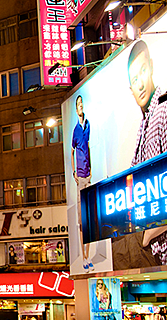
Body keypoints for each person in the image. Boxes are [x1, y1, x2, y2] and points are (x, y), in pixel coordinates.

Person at [126, 40, 167, 264]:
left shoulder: (163, 110)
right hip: (155, 251)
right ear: (130, 89)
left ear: (151, 67)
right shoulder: (144, 126)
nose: (140, 84)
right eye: (134, 80)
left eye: (143, 71)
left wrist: (148, 234)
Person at [71, 94, 93, 272]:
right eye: (77, 104)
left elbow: (89, 147)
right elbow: (72, 151)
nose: (80, 106)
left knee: (90, 217)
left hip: (88, 175)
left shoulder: (87, 125)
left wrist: (91, 168)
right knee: (80, 219)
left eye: (81, 103)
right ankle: (84, 258)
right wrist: (74, 172)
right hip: (80, 176)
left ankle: (88, 255)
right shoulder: (75, 130)